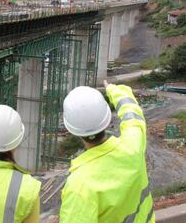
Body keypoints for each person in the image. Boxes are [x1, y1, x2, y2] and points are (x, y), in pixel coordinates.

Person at [59, 81, 155, 223]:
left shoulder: (80, 186)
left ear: (72, 130)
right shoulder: (132, 146)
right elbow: (132, 113)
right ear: (107, 118)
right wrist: (112, 89)